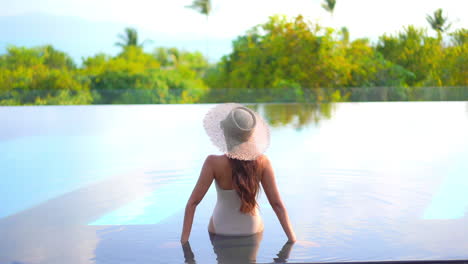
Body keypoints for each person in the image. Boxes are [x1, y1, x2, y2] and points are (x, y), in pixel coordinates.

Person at [180, 103, 296, 246]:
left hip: (220, 229)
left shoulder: (213, 163)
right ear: (251, 135)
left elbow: (192, 203)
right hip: (251, 230)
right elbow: (277, 205)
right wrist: (293, 240)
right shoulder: (263, 162)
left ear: (225, 133)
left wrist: (184, 243)